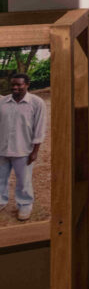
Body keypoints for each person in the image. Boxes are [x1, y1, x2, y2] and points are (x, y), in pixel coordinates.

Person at [0, 73, 47, 222]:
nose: (15, 87)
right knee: (0, 178)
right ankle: (1, 200)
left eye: (19, 84)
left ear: (27, 84)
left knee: (23, 180)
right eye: (13, 84)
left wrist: (35, 151)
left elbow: (39, 129)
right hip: (2, 149)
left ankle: (25, 204)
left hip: (23, 150)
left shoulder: (36, 103)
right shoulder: (3, 102)